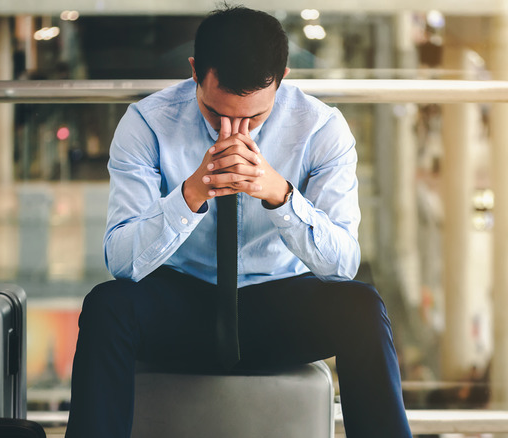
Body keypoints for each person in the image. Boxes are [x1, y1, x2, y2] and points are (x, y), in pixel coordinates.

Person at [65, 6, 412, 438]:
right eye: (216, 113)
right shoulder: (146, 124)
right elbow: (122, 262)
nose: (234, 130)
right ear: (195, 72)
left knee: (363, 308)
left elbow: (341, 264)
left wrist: (280, 195)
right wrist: (191, 194)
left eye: (254, 117)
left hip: (279, 305)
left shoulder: (323, 129)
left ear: (281, 78)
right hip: (182, 304)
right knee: (106, 306)